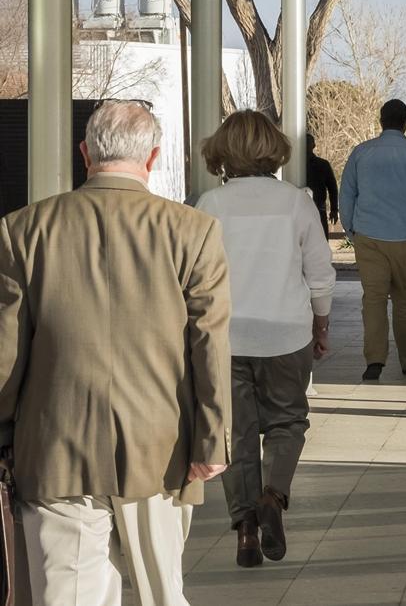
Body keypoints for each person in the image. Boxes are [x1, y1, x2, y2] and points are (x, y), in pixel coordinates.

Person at [0, 101, 231, 605]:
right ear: (153, 158)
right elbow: (209, 343)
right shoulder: (193, 231)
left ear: (85, 153)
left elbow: (6, 353)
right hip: (161, 448)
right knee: (162, 593)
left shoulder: (22, 229)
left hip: (55, 448)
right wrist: (213, 440)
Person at [195, 111, 336, 569]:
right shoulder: (297, 202)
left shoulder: (210, 205)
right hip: (286, 333)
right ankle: (273, 496)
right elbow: (320, 274)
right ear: (273, 150)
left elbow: (194, 277)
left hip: (227, 337)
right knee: (287, 421)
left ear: (223, 151)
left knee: (235, 434)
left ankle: (245, 530)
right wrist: (320, 325)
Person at [341, 100, 406, 380]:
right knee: (405, 300)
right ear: (405, 123)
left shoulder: (361, 153)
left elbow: (347, 194)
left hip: (368, 236)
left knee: (373, 299)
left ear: (380, 120)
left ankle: (374, 359)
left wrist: (351, 229)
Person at [305, 133, 339, 239]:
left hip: (319, 209)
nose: (306, 145)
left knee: (321, 240)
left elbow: (332, 188)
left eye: (308, 143)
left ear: (313, 145)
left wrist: (334, 210)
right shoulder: (292, 165)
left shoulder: (322, 164)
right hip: (300, 210)